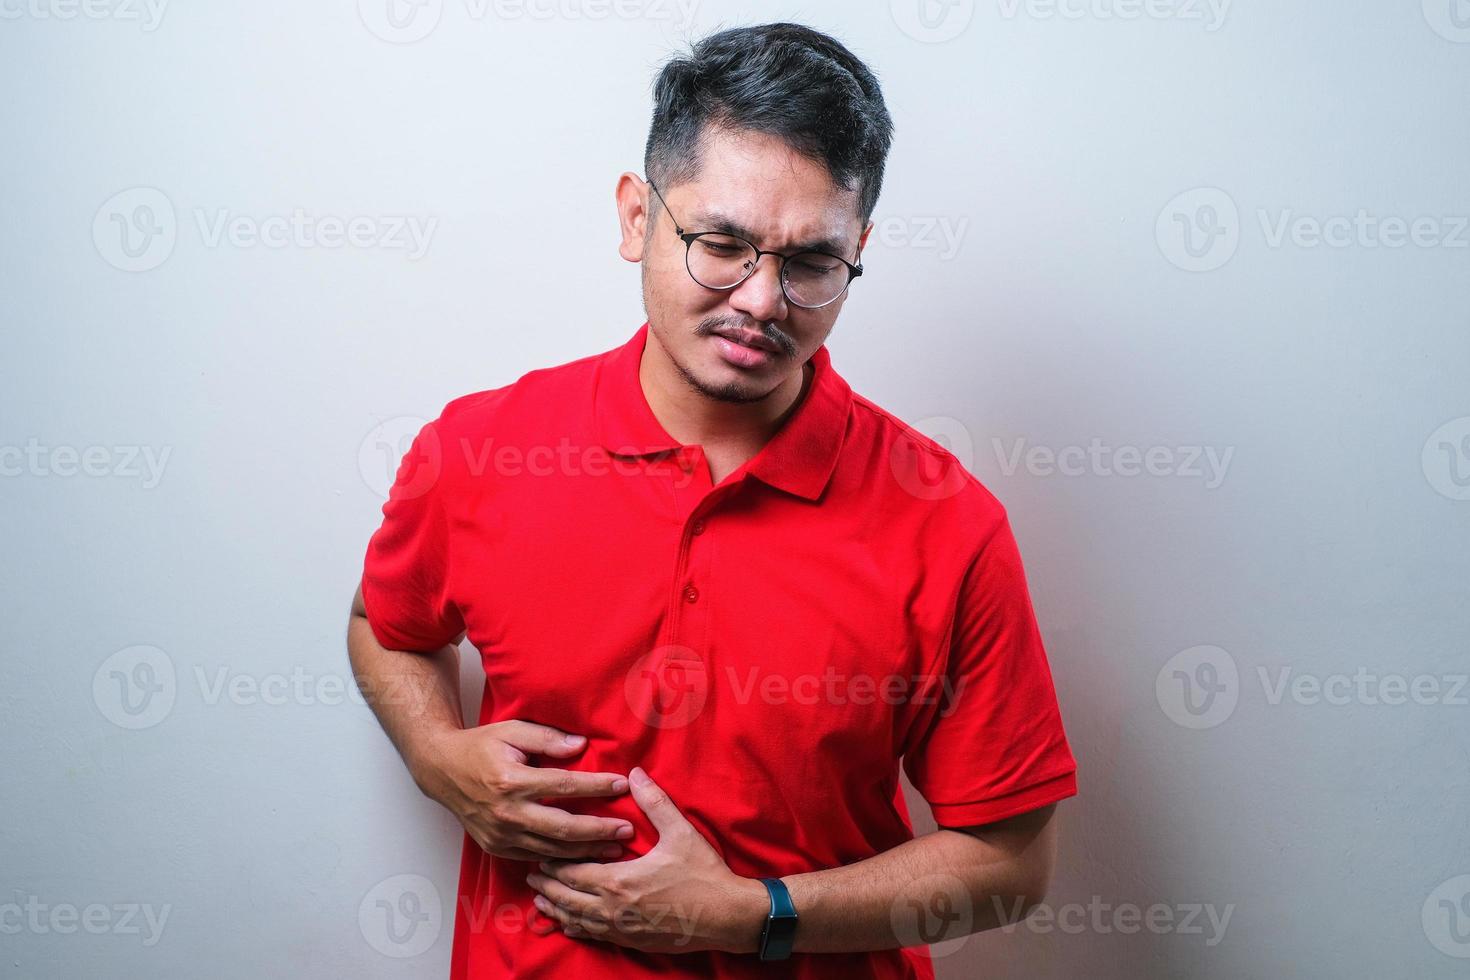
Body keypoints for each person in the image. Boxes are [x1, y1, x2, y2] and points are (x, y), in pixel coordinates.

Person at [347, 21, 1078, 980]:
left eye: (811, 262)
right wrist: (436, 757)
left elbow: (1011, 865)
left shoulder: (948, 522)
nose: (763, 299)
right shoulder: (482, 449)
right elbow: (384, 624)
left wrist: (749, 915)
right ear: (635, 218)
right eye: (722, 242)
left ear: (858, 250)